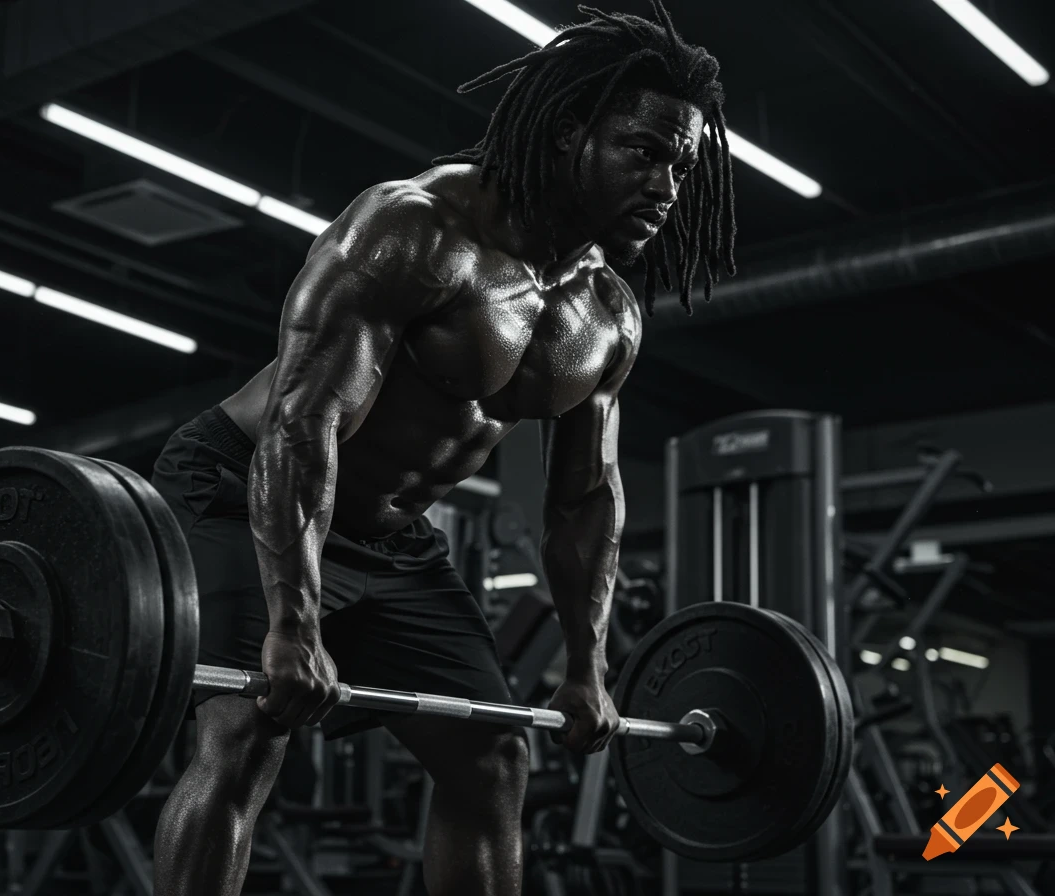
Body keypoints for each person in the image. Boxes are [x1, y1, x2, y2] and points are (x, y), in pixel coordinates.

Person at [150, 3, 736, 894]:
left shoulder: (608, 313)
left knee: (494, 757)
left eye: (680, 167)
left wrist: (588, 667)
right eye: (643, 152)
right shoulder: (414, 228)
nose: (665, 187)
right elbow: (303, 424)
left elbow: (585, 498)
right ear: (570, 133)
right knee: (247, 732)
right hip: (243, 484)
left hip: (393, 539)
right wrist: (293, 623)